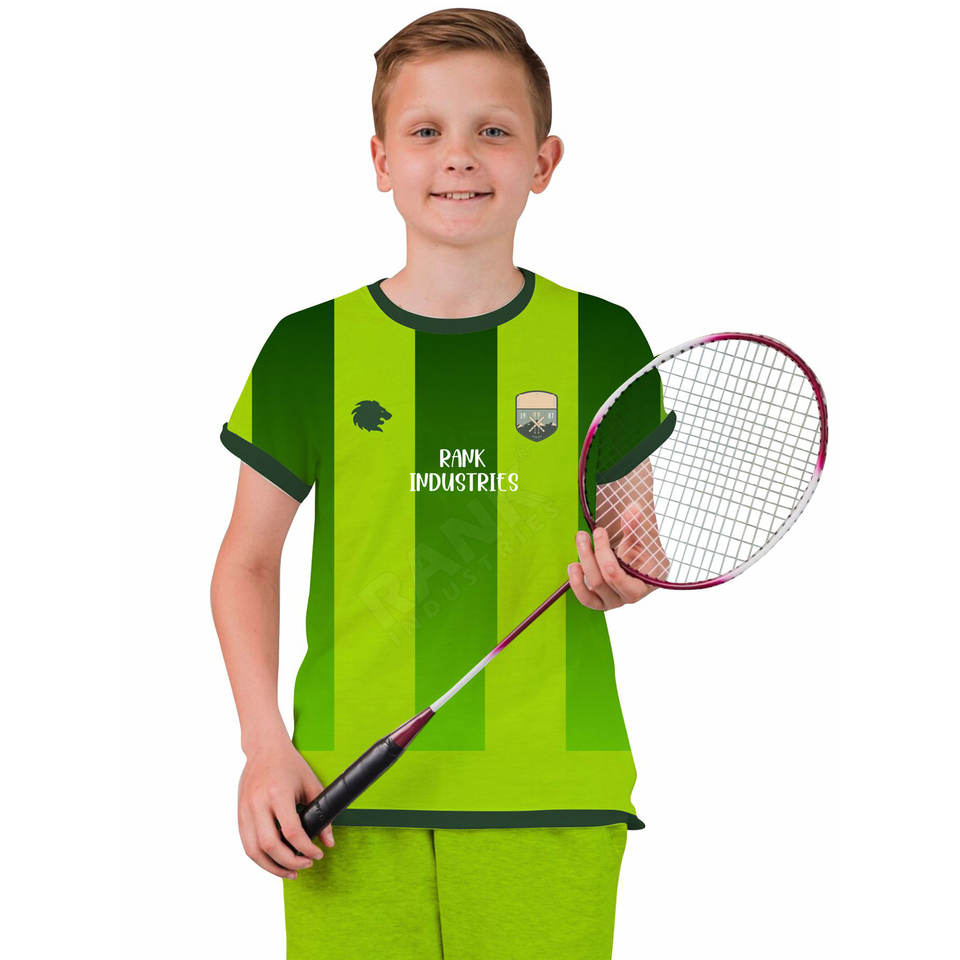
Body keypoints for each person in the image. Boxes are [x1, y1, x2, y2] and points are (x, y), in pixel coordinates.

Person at [211, 8, 660, 959]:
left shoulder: (604, 339)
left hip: (552, 792)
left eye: (493, 129)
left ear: (543, 161)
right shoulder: (309, 349)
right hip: (342, 796)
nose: (459, 156)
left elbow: (635, 545)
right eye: (426, 131)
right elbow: (246, 562)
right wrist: (263, 746)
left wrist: (625, 575)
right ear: (381, 161)